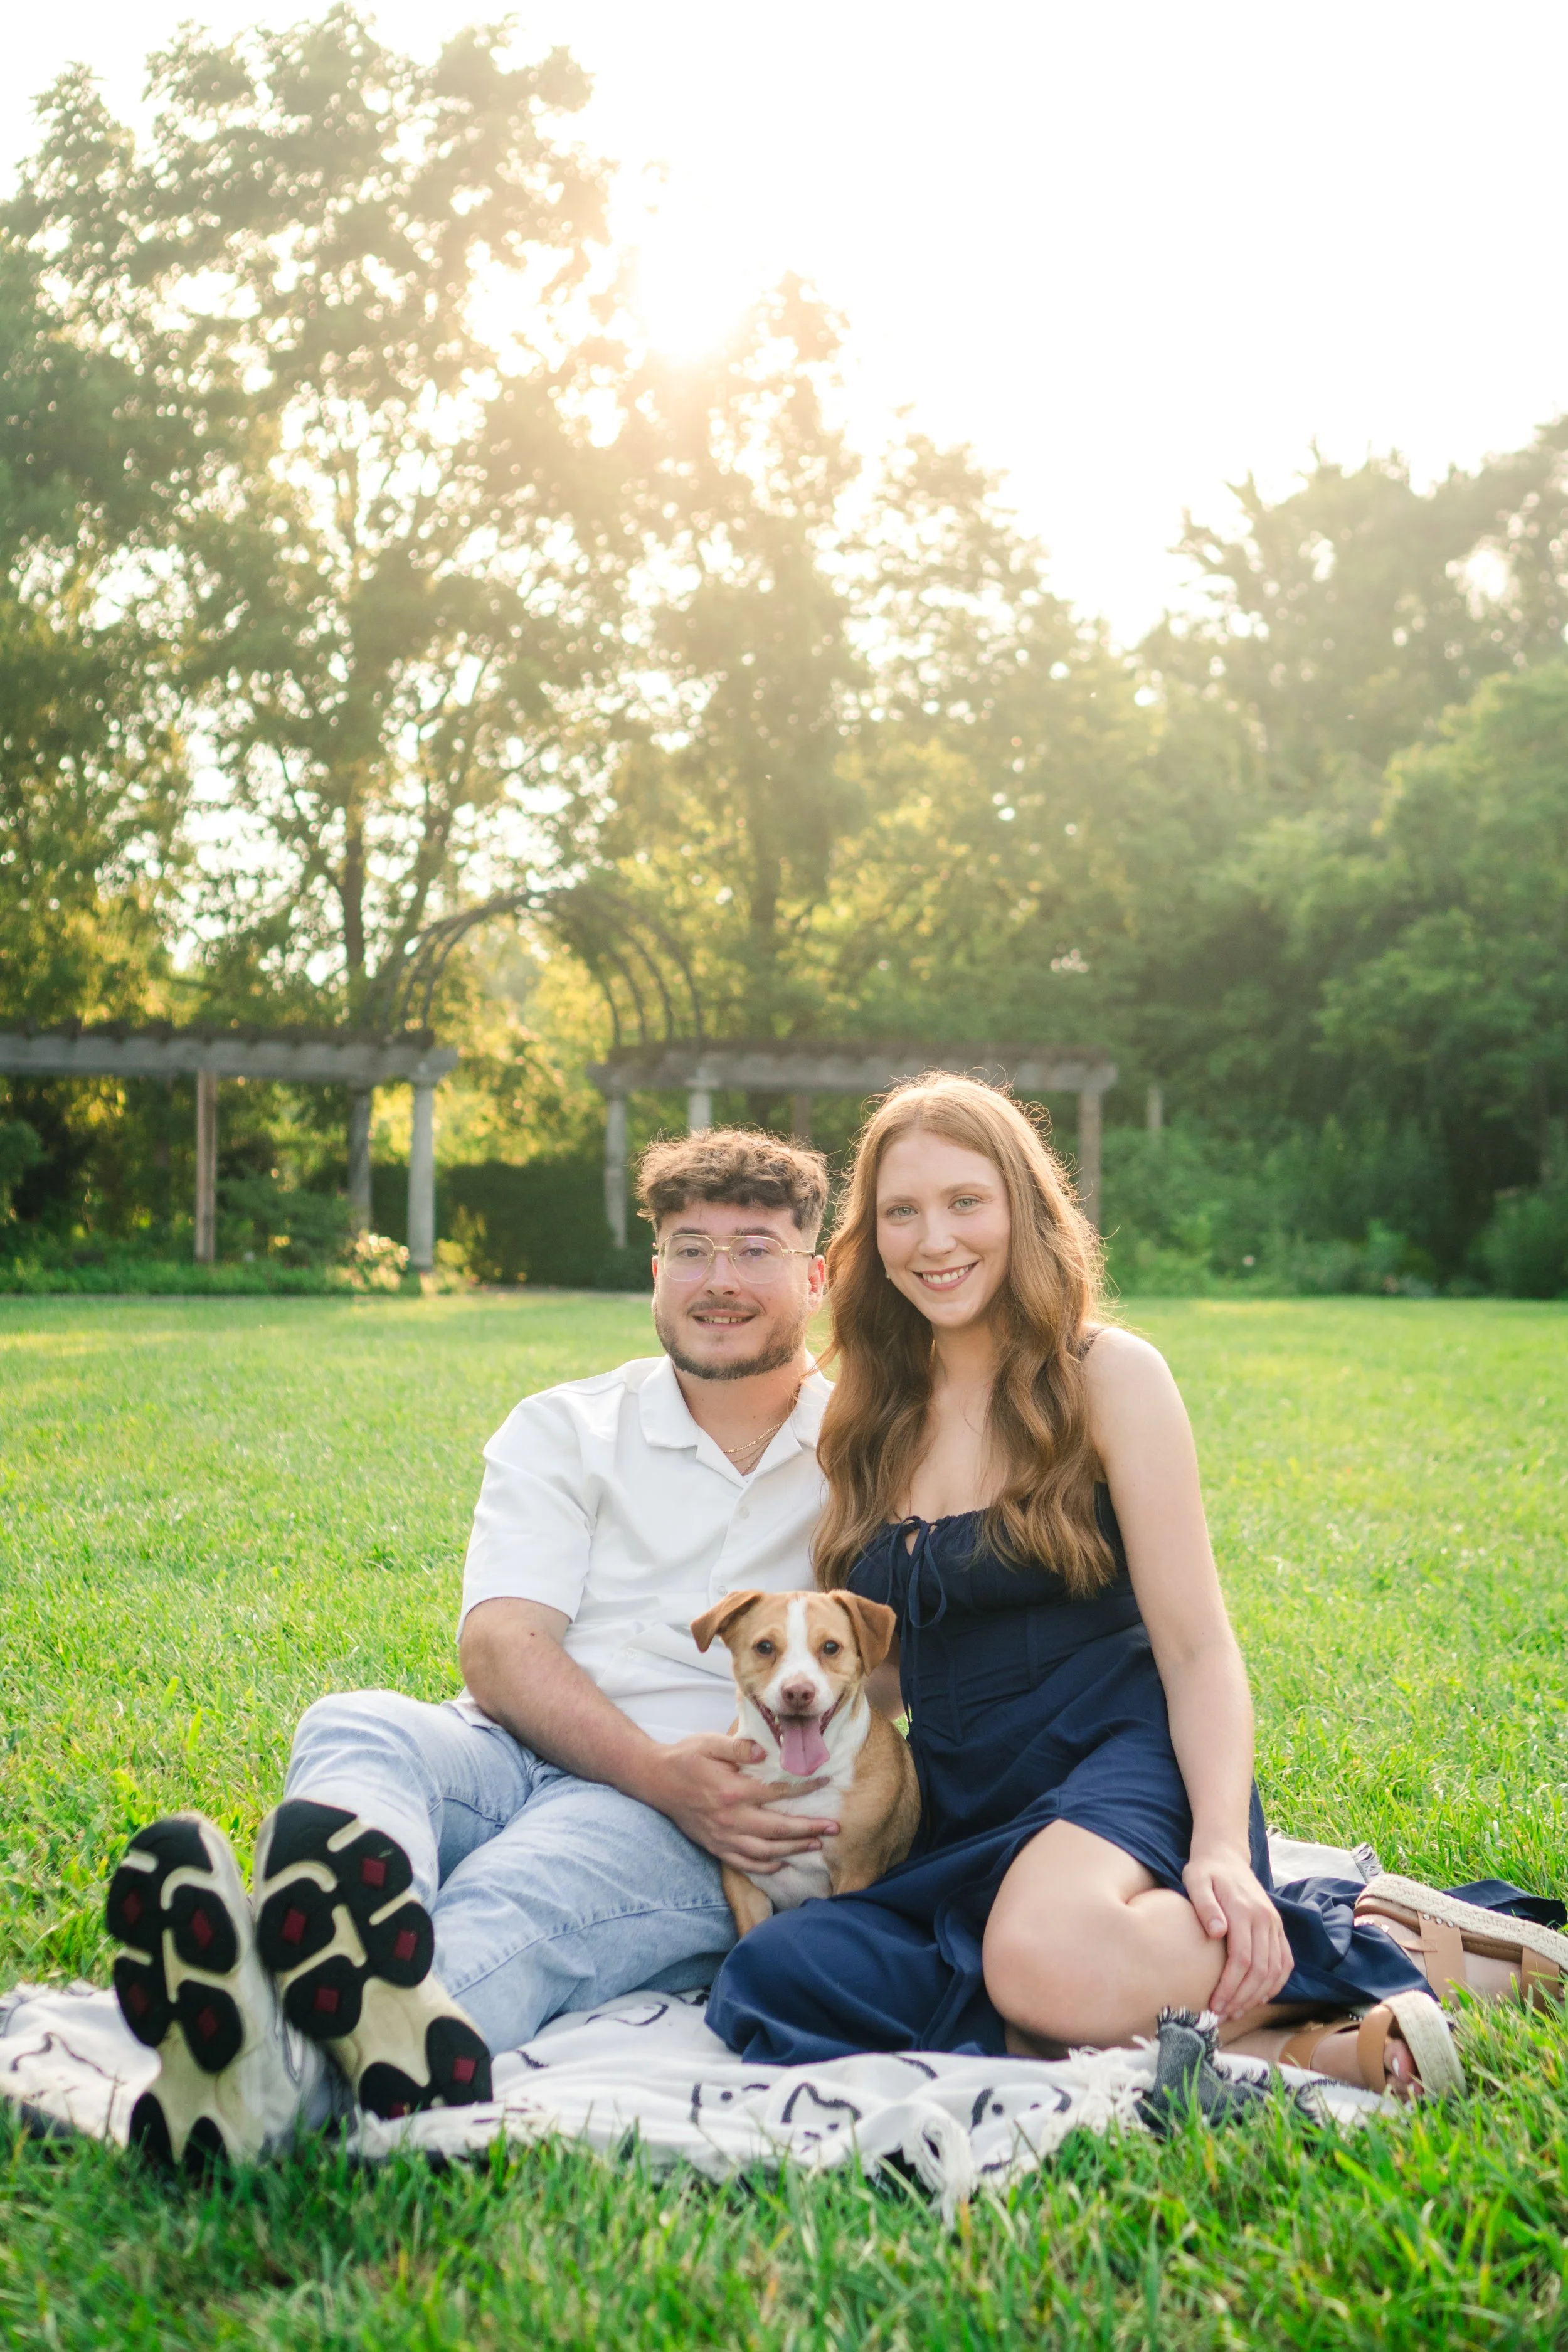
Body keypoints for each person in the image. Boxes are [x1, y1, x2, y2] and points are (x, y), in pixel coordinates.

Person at [707, 1075, 1477, 2098]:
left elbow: (1198, 1647)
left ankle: (1389, 1943)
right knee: (776, 1974)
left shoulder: (1109, 1374)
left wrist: (1220, 1849)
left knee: (1039, 1957)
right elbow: (887, 1672)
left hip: (1118, 1760)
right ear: (871, 1236)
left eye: (964, 1202)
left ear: (1025, 1207)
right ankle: (1286, 2043)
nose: (934, 1239)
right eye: (902, 1211)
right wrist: (785, 1725)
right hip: (963, 1800)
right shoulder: (867, 1414)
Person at [107, 1128, 844, 2168]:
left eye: (753, 1248)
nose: (717, 1280)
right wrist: (649, 1768)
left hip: (704, 1806)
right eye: (689, 1248)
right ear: (656, 1271)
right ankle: (327, 1938)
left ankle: (270, 2060)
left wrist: (684, 1789)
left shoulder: (867, 1448)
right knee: (357, 1720)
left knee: (526, 1893)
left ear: (815, 1274)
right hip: (511, 1747)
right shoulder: (568, 1424)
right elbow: (500, 1646)